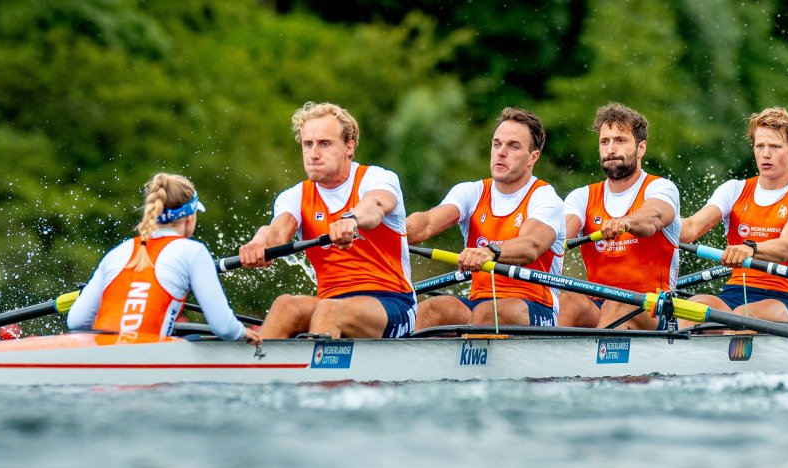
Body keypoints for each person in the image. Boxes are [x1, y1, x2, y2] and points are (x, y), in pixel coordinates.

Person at [239, 102, 416, 340]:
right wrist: (259, 243)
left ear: (348, 147)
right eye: (307, 144)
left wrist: (352, 220)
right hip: (331, 303)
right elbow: (277, 232)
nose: (313, 154)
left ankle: (317, 377)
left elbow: (374, 208)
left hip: (392, 302)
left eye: (324, 144)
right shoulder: (295, 196)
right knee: (286, 305)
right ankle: (256, 371)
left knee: (329, 310)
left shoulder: (377, 178)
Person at [407, 108, 568, 329]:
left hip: (535, 306)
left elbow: (530, 245)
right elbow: (425, 225)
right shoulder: (471, 192)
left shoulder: (545, 198)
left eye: (513, 146)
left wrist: (490, 251)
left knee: (486, 314)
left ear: (533, 157)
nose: (501, 152)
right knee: (428, 311)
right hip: (479, 303)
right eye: (497, 144)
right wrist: (384, 232)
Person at [68, 173, 260, 343]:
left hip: (100, 355)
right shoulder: (193, 251)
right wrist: (241, 333)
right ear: (190, 217)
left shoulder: (118, 251)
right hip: (146, 360)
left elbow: (76, 321)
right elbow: (224, 328)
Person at [681, 107, 788, 323]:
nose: (766, 154)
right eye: (760, 146)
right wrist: (650, 222)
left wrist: (751, 248)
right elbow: (690, 229)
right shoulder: (734, 190)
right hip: (734, 294)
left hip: (785, 299)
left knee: (742, 317)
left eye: (775, 146)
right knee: (690, 308)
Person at [560, 103, 682, 330]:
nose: (611, 149)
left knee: (617, 304)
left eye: (620, 140)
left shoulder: (661, 188)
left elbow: (653, 218)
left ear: (641, 148)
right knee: (565, 302)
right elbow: (560, 233)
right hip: (597, 304)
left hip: (654, 307)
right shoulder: (582, 197)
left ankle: (593, 361)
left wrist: (625, 222)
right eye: (604, 141)